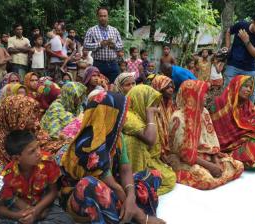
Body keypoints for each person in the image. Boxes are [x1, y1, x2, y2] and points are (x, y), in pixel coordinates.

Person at [60, 90, 166, 224]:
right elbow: (114, 187)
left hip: (113, 189)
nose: (125, 119)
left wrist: (131, 196)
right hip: (85, 196)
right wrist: (141, 217)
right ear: (109, 115)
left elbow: (125, 169)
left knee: (153, 175)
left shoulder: (117, 137)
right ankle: (128, 216)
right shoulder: (89, 142)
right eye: (122, 115)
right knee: (89, 185)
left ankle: (125, 212)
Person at [165, 80, 244, 190]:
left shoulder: (204, 112)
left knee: (239, 165)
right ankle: (213, 176)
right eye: (203, 93)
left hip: (207, 156)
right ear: (192, 95)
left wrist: (216, 162)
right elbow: (184, 154)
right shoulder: (178, 117)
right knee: (206, 179)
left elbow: (211, 141)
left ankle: (215, 175)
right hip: (186, 160)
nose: (206, 96)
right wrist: (210, 166)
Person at [0, 130, 74, 224]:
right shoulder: (7, 175)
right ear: (16, 158)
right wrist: (18, 216)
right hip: (20, 209)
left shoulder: (47, 162)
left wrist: (36, 211)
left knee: (66, 220)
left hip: (44, 204)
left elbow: (53, 192)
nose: (38, 153)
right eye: (32, 151)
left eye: (37, 147)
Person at [209, 75, 255, 171]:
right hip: (224, 145)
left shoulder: (247, 104)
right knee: (251, 153)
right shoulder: (220, 103)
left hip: (243, 140)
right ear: (236, 85)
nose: (249, 90)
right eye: (245, 86)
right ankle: (233, 158)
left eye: (250, 87)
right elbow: (213, 130)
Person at [122, 85, 176, 195]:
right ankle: (138, 185)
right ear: (140, 99)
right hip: (131, 164)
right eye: (151, 103)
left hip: (147, 157)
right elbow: (150, 139)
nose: (154, 107)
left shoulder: (140, 115)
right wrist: (150, 115)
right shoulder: (128, 116)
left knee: (169, 176)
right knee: (132, 141)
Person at [0, 95, 54, 166]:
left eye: (34, 112)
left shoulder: (32, 128)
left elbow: (49, 146)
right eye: (28, 113)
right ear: (13, 115)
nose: (34, 116)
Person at [223, 12, 255, 101]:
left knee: (252, 93)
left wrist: (247, 41)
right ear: (253, 22)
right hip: (233, 64)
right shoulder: (241, 25)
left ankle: (249, 113)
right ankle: (227, 112)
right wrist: (227, 47)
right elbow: (229, 31)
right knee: (228, 90)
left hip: (249, 68)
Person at [84, 7, 123, 83]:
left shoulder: (114, 30)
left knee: (114, 86)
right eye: (101, 16)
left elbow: (121, 46)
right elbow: (86, 46)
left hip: (113, 64)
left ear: (108, 17)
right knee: (99, 87)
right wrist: (99, 44)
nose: (103, 18)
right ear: (97, 17)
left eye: (105, 16)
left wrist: (114, 46)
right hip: (99, 64)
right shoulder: (91, 30)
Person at [151, 75, 176, 156]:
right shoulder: (153, 108)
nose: (171, 90)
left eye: (172, 87)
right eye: (167, 87)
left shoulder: (172, 106)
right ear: (159, 88)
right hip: (157, 151)